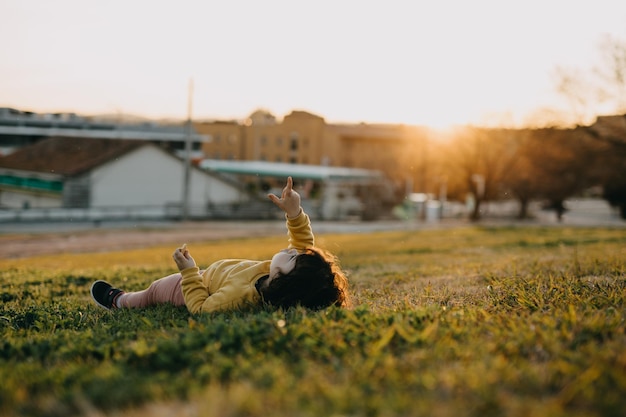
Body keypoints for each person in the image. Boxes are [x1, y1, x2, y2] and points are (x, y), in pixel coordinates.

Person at [90, 177, 351, 313]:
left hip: (197, 286)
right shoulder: (274, 277)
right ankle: (126, 299)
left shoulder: (237, 298)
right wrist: (294, 212)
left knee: (153, 292)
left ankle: (120, 301)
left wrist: (189, 273)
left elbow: (202, 309)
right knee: (154, 290)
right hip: (209, 277)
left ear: (285, 278)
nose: (292, 249)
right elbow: (303, 243)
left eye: (292, 257)